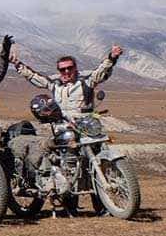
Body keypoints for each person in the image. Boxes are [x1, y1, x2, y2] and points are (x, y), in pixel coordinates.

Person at [7, 45, 125, 176]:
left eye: (70, 68)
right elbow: (34, 77)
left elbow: (101, 72)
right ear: (59, 70)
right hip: (64, 128)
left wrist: (112, 58)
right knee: (67, 161)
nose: (67, 72)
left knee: (100, 144)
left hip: (85, 125)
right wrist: (18, 64)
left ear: (75, 68)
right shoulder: (54, 83)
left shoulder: (86, 81)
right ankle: (63, 178)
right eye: (63, 69)